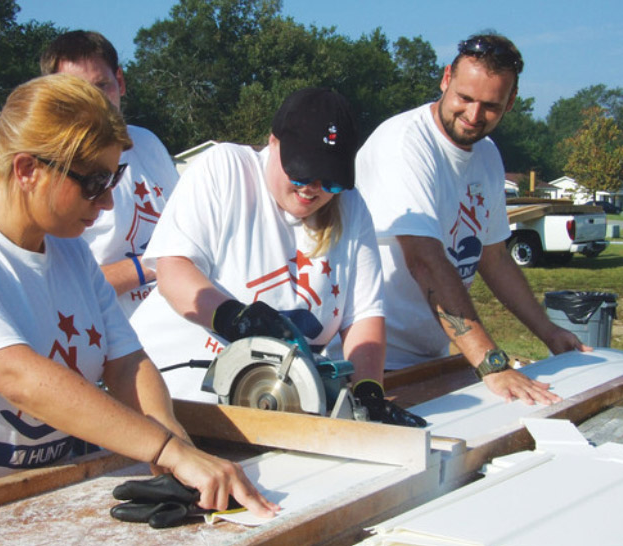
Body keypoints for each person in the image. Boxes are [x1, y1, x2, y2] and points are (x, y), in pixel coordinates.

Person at [0, 73, 276, 545]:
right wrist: (166, 450)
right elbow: (16, 376)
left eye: (114, 178)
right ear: (27, 169)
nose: (109, 201)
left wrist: (177, 449)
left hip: (38, 515)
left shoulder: (71, 251)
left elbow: (127, 363)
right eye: (94, 182)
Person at [132, 87, 424, 427]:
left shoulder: (351, 206)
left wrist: (368, 392)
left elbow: (363, 315)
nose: (312, 189)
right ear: (273, 142)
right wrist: (235, 318)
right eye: (301, 173)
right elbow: (173, 271)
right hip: (168, 399)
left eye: (330, 182)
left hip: (267, 410)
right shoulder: (226, 169)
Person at [355, 33, 590, 405]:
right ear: (446, 78)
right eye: (464, 98)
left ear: (511, 102)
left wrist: (550, 333)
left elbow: (494, 258)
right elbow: (424, 261)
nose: (474, 116)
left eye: (490, 106)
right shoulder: (405, 144)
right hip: (370, 362)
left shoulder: (487, 155)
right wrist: (492, 363)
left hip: (430, 359)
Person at [40, 30, 179, 321]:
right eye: (77, 92)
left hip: (178, 321)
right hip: (107, 334)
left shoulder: (148, 143)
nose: (94, 102)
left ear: (120, 81)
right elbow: (59, 286)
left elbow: (187, 228)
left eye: (102, 86)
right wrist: (159, 263)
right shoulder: (50, 171)